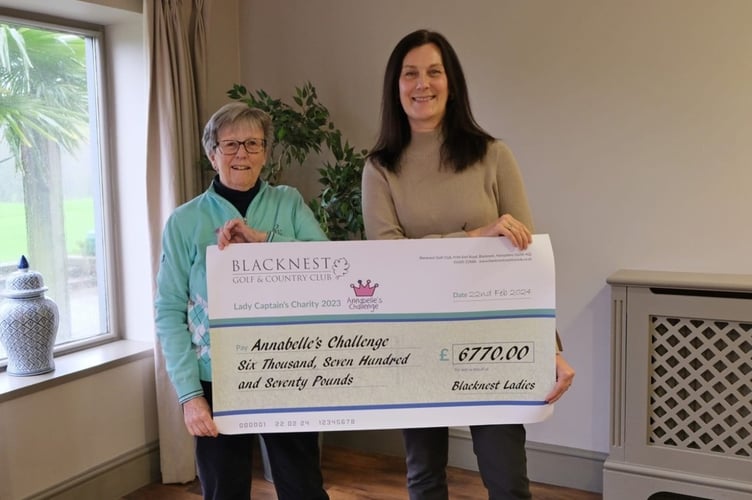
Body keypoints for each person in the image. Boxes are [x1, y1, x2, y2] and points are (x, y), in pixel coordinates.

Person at [362, 29, 576, 500]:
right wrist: (472, 237)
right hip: (414, 337)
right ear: (395, 87)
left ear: (451, 83)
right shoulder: (379, 168)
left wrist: (548, 345)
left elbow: (526, 265)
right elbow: (388, 260)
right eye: (410, 74)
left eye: (434, 72)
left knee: (507, 478)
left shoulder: (493, 156)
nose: (423, 84)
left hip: (491, 337)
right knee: (423, 477)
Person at [155, 103, 329, 500]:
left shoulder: (288, 202)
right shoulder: (184, 221)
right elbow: (168, 311)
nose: (242, 154)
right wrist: (190, 396)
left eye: (253, 143)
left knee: (303, 487)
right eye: (230, 144)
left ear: (266, 152)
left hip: (287, 367)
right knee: (224, 490)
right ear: (211, 153)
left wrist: (263, 240)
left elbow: (328, 269)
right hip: (216, 378)